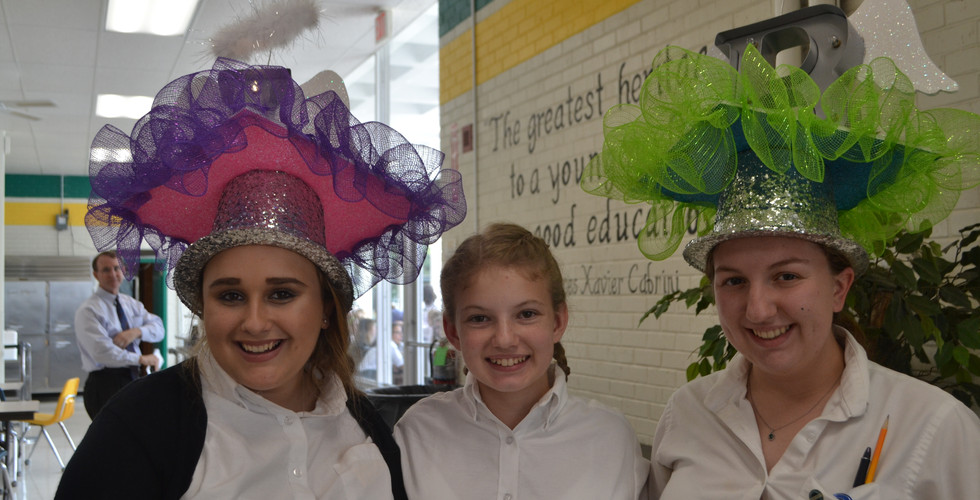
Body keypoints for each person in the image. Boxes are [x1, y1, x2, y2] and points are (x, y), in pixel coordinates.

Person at [581, 45, 980, 499]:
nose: (757, 309)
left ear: (839, 287)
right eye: (733, 280)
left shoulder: (933, 428)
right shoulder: (687, 414)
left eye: (786, 276)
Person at [56, 58, 465, 499]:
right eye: (231, 295)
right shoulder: (139, 428)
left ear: (326, 308)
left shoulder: (364, 424)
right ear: (203, 306)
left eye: (282, 294)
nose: (254, 322)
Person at [394, 223, 649, 499]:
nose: (505, 339)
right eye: (479, 318)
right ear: (453, 331)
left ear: (558, 322)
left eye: (527, 314)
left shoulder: (611, 438)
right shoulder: (418, 433)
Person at [75, 250, 165, 418]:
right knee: (110, 434)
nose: (113, 274)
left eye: (117, 268)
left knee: (135, 431)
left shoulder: (131, 304)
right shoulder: (89, 310)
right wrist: (141, 359)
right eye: (106, 270)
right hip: (106, 383)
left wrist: (136, 332)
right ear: (96, 275)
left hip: (133, 378)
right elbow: (102, 352)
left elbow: (159, 329)